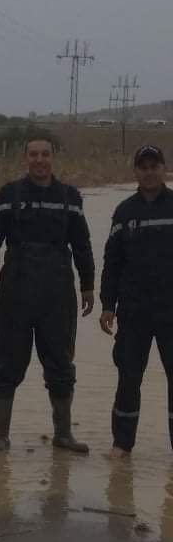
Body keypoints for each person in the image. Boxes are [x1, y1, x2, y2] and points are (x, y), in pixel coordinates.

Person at [0, 135, 95, 453]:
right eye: (33, 154)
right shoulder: (9, 194)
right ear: (25, 158)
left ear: (53, 157)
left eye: (45, 154)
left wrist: (87, 285)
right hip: (16, 291)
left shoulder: (70, 197)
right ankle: (1, 436)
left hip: (58, 293)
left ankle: (63, 435)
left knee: (61, 365)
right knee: (6, 365)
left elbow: (82, 245)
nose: (39, 160)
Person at [100, 144, 173, 457]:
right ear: (135, 171)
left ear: (164, 169)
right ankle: (122, 444)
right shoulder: (124, 211)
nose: (149, 171)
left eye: (154, 165)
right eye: (143, 166)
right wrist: (107, 305)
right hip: (134, 312)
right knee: (129, 377)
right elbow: (112, 262)